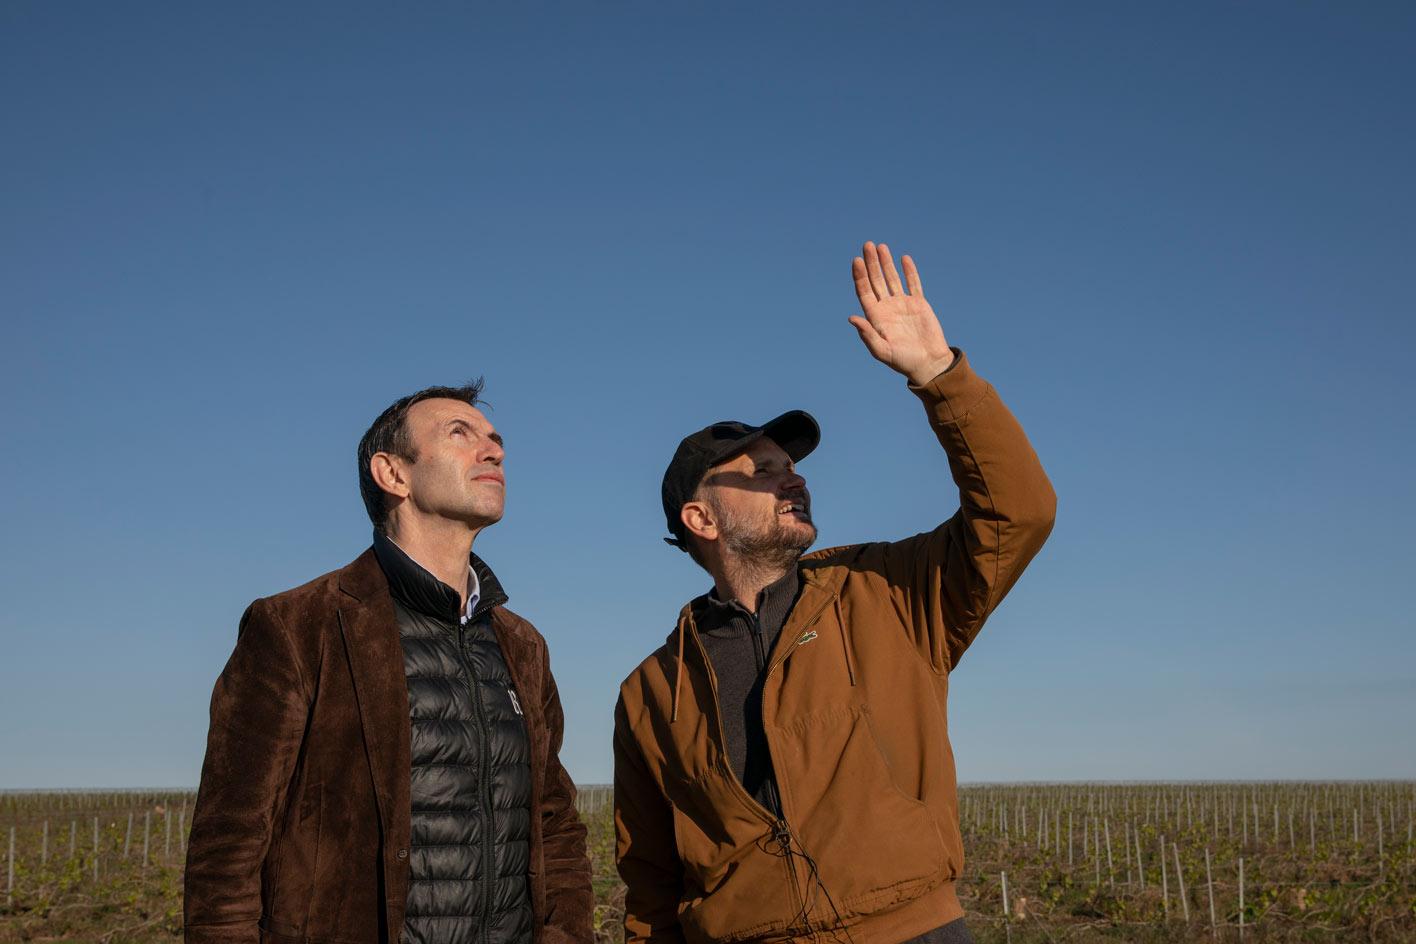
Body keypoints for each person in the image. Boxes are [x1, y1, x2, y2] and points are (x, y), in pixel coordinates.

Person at [613, 243, 1057, 944]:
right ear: (701, 519)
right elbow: (650, 882)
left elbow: (1019, 513)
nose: (793, 478)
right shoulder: (651, 691)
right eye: (761, 471)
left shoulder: (886, 592)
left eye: (791, 467)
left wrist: (938, 375)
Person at [185, 382, 592, 944]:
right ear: (393, 474)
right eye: (460, 433)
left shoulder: (523, 644)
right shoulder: (297, 626)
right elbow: (230, 840)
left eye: (496, 439)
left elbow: (553, 822)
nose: (494, 451)